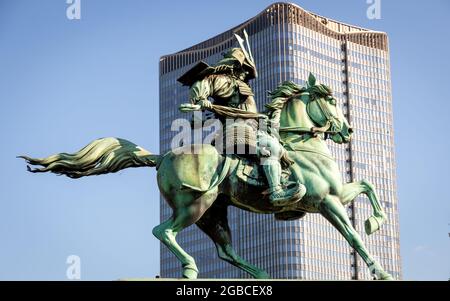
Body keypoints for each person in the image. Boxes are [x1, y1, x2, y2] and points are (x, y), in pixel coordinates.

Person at [177, 31, 304, 206]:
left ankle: (284, 194)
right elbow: (205, 83)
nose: (247, 74)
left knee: (284, 149)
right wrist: (200, 101)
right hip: (237, 128)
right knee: (270, 147)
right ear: (237, 67)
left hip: (253, 126)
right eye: (245, 70)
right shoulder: (228, 82)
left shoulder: (240, 84)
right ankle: (276, 192)